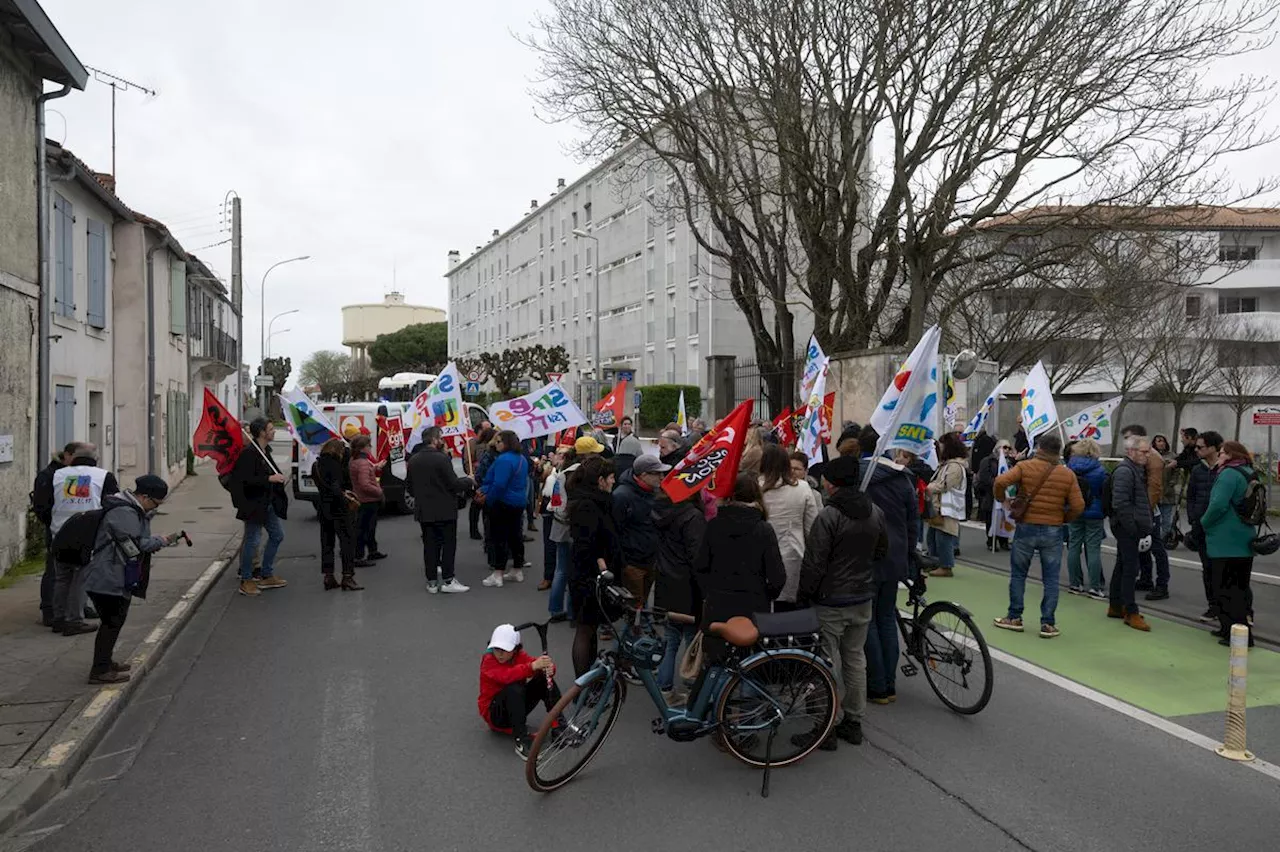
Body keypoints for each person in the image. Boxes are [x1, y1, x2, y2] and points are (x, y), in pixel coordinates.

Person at [796, 456, 888, 749]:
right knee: (855, 658)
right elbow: (881, 551)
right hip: (862, 594)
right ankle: (854, 720)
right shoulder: (874, 512)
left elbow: (814, 561)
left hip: (831, 597)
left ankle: (827, 724)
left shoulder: (829, 515)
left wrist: (805, 593)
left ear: (831, 483)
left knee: (826, 661)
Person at [79, 475, 182, 683]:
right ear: (144, 497)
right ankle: (99, 671)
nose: (154, 508)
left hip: (114, 573)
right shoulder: (124, 513)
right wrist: (161, 541)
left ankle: (106, 662)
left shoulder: (128, 509)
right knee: (111, 622)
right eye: (154, 503)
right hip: (107, 576)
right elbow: (134, 546)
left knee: (114, 621)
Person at [992, 433, 1084, 638]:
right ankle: (1048, 623)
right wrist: (1063, 518)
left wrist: (1003, 501)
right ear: (1058, 451)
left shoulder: (1025, 467)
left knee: (1018, 574)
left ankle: (1014, 617)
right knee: (1051, 578)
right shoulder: (1066, 474)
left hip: (1026, 527)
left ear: (1039, 448)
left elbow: (1000, 482)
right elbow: (1078, 505)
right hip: (1053, 529)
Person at [695, 474, 785, 662]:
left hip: (718, 604)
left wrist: (709, 592)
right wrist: (766, 595)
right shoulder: (763, 529)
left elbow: (700, 566)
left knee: (716, 663)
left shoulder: (714, 526)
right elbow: (777, 576)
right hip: (753, 605)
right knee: (750, 661)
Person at [857, 428, 917, 705]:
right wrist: (909, 555)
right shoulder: (903, 478)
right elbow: (912, 522)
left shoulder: (861, 475)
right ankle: (889, 683)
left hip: (866, 554)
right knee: (886, 618)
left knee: (868, 619)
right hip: (895, 556)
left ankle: (877, 683)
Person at [49, 443, 119, 634]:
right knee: (81, 579)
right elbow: (112, 505)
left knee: (62, 578)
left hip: (60, 533)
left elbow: (45, 504)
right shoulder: (103, 476)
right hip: (89, 535)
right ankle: (74, 621)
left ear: (73, 458)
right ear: (94, 459)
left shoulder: (57, 475)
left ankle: (58, 618)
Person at [567, 456, 625, 675]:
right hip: (589, 578)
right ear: (600, 480)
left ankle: (588, 680)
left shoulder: (596, 501)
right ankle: (582, 685)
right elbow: (587, 544)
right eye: (611, 478)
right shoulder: (587, 505)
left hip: (593, 576)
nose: (613, 482)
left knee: (589, 630)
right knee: (585, 629)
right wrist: (602, 565)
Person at [1201, 440, 1258, 647]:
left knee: (1224, 588)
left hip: (1225, 539)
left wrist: (1204, 523)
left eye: (1223, 453)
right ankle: (1232, 629)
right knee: (1240, 588)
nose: (1220, 456)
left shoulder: (1227, 474)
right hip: (1244, 538)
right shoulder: (1247, 471)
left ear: (1231, 455)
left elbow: (1217, 505)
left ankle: (1235, 633)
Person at [652, 488, 706, 704]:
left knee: (671, 637)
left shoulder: (661, 511)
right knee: (692, 640)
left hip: (666, 580)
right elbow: (697, 556)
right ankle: (693, 687)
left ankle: (664, 689)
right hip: (688, 585)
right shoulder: (693, 517)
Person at [477, 623, 561, 760]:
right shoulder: (488, 660)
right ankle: (521, 741)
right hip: (496, 715)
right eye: (496, 649)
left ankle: (559, 724)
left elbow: (536, 665)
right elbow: (506, 676)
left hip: (515, 707)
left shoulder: (519, 656)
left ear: (515, 649)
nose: (499, 653)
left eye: (505, 650)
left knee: (542, 678)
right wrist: (533, 666)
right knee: (513, 687)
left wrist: (549, 668)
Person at [407, 426, 473, 594]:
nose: (443, 440)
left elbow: (410, 487)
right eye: (441, 438)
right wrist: (468, 481)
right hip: (445, 509)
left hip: (424, 510)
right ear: (435, 439)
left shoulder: (414, 460)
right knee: (448, 545)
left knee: (429, 546)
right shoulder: (442, 459)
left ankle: (431, 582)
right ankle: (448, 579)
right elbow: (453, 484)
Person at [228, 420, 289, 597]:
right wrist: (269, 479)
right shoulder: (249, 454)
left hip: (267, 502)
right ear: (262, 432)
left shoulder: (264, 451)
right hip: (253, 504)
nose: (274, 432)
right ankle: (246, 579)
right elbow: (243, 480)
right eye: (270, 429)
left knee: (277, 536)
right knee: (252, 541)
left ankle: (266, 574)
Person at [758, 444, 821, 612]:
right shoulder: (802, 488)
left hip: (759, 558)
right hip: (794, 554)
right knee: (791, 613)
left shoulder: (755, 487)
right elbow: (812, 528)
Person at [1108, 435, 1153, 631]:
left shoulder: (1133, 470)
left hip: (1127, 525)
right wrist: (1132, 527)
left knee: (1123, 564)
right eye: (1144, 451)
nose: (1147, 455)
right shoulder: (1126, 471)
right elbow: (1121, 503)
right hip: (1127, 526)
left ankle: (1116, 605)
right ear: (1131, 451)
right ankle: (1130, 610)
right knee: (1130, 568)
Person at [31, 442, 79, 627]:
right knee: (54, 571)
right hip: (57, 529)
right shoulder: (49, 475)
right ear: (66, 455)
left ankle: (74, 607)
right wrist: (52, 524)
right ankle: (50, 610)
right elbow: (41, 506)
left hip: (76, 529)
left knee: (77, 571)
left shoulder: (74, 474)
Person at [613, 454, 670, 602]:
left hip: (651, 558)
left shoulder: (655, 492)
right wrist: (624, 562)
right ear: (644, 475)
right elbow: (615, 530)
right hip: (632, 561)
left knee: (642, 601)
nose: (662, 477)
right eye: (658, 473)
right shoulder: (622, 496)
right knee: (634, 604)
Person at [1121, 424, 1169, 599]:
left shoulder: (1152, 458)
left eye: (1128, 437)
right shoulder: (1138, 459)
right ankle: (1146, 578)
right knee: (1144, 548)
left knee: (1156, 547)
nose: (1126, 442)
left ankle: (1162, 584)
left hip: (1149, 511)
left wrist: (1145, 512)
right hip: (1142, 508)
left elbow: (1154, 487)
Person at [313, 437, 366, 591]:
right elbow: (337, 487)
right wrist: (346, 498)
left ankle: (328, 576)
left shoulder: (317, 464)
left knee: (327, 543)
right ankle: (347, 576)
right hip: (339, 509)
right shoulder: (336, 465)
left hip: (324, 508)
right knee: (347, 542)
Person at [480, 430, 531, 588]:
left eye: (500, 441)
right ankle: (517, 568)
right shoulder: (521, 458)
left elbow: (499, 484)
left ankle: (498, 573)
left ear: (507, 443)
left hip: (502, 502)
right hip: (518, 501)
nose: (497, 443)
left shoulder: (504, 460)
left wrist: (488, 499)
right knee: (515, 536)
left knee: (499, 538)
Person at [1186, 430, 1223, 622]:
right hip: (1201, 525)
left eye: (1200, 447)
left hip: (1220, 527)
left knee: (1224, 569)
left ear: (1213, 448)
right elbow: (1190, 495)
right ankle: (1213, 606)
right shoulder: (1198, 470)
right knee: (1207, 568)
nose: (1197, 450)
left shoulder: (1225, 469)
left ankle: (1231, 608)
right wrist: (1193, 518)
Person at [1066, 437, 1108, 599]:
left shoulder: (1069, 468)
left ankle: (1075, 583)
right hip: (1094, 511)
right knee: (1093, 549)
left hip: (1074, 510)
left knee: (1074, 546)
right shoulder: (1099, 470)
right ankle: (1095, 586)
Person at [924, 433, 968, 578]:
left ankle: (946, 565)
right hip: (941, 506)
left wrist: (929, 487)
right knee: (933, 536)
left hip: (948, 507)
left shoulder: (954, 467)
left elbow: (945, 485)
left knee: (944, 537)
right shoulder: (948, 465)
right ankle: (936, 562)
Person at [349, 435, 387, 563]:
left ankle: (372, 551)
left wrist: (375, 467)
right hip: (368, 500)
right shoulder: (363, 463)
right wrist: (379, 491)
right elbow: (364, 483)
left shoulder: (354, 460)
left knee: (367, 527)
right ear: (363, 448)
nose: (370, 448)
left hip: (362, 499)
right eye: (369, 446)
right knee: (365, 529)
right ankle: (359, 556)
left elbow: (363, 474)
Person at [975, 440, 1015, 551]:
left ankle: (1004, 541)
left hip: (1005, 495)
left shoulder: (1009, 463)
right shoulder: (987, 461)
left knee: (1005, 517)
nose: (1006, 450)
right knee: (991, 518)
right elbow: (984, 477)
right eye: (1004, 447)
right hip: (990, 494)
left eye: (1009, 448)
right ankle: (991, 540)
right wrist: (998, 483)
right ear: (997, 448)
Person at [467, 426, 496, 540]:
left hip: (481, 480)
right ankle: (476, 531)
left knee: (481, 508)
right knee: (478, 507)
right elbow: (469, 460)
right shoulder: (481, 448)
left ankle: (483, 534)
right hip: (480, 481)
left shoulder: (489, 449)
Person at [1152, 433, 1179, 538]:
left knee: (1166, 518)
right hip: (1154, 491)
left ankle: (1164, 537)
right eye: (1158, 441)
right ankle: (1155, 537)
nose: (1161, 443)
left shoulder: (1171, 456)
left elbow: (1176, 472)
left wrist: (1172, 483)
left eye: (1163, 440)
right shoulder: (1151, 455)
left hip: (1167, 491)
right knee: (1154, 517)